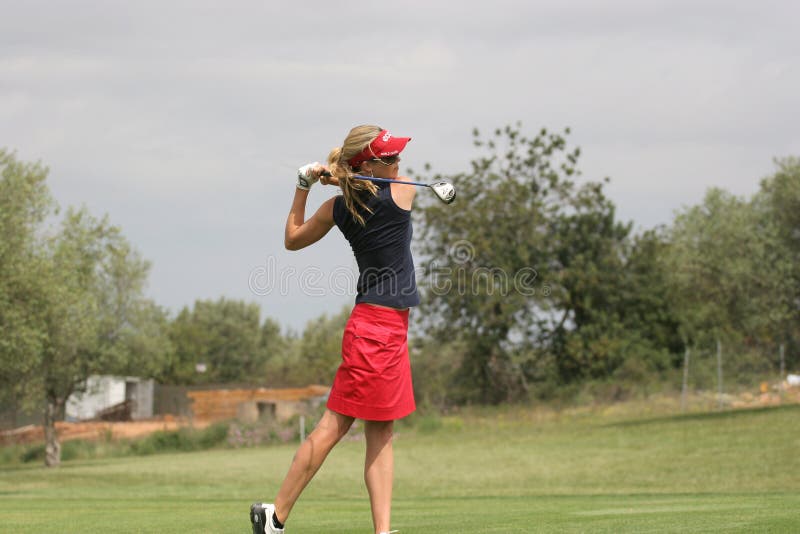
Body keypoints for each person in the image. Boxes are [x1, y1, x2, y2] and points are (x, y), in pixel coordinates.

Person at [250, 125, 419, 534]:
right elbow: (292, 243)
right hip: (376, 330)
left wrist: (305, 185)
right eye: (390, 158)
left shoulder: (337, 207)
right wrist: (335, 176)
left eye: (398, 156)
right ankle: (275, 517)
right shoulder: (402, 192)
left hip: (385, 328)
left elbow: (292, 237)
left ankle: (381, 531)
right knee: (335, 427)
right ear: (369, 164)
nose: (399, 163)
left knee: (382, 429)